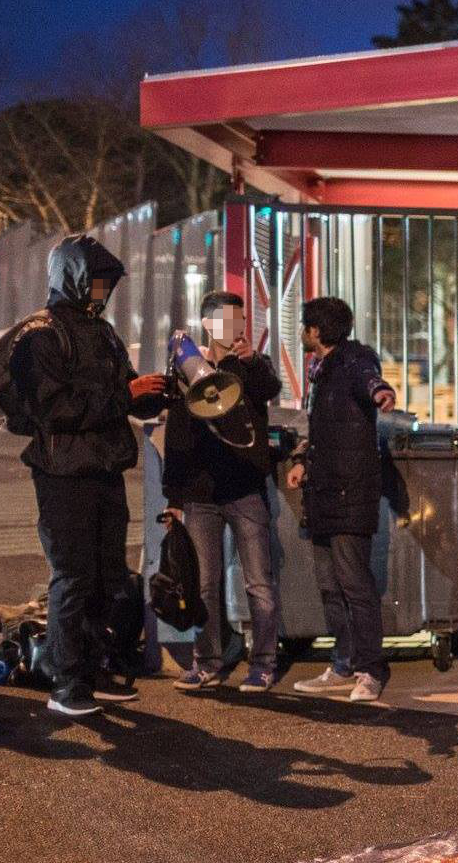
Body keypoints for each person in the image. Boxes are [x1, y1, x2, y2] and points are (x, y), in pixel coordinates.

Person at [10, 235, 170, 717]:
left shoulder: (102, 332)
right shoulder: (40, 335)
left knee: (106, 578)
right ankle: (67, 682)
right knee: (73, 578)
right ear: (74, 278)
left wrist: (159, 391)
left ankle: (93, 668)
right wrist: (128, 395)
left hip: (103, 469)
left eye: (107, 283)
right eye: (97, 281)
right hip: (63, 473)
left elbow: (123, 390)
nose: (103, 291)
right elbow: (54, 408)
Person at [161, 291, 284, 693]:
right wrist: (173, 497)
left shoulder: (251, 365)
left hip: (245, 488)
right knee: (203, 584)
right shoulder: (185, 368)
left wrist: (247, 361)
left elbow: (270, 386)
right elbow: (176, 434)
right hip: (200, 493)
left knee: (259, 583)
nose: (236, 329)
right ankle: (206, 661)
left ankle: (263, 663)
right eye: (228, 321)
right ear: (208, 324)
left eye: (241, 320)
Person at [285, 297, 397, 704]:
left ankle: (370, 669)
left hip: (351, 493)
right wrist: (301, 460)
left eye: (304, 327)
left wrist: (381, 391)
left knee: (355, 585)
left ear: (315, 332)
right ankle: (343, 663)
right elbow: (321, 430)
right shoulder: (322, 371)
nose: (301, 333)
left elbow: (369, 380)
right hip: (324, 493)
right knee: (330, 587)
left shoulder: (353, 360)